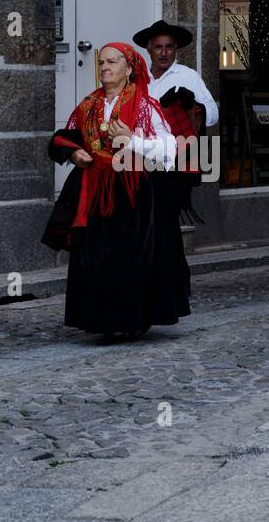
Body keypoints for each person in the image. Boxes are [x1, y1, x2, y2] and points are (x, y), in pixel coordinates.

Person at [42, 42, 191, 338]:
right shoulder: (87, 106)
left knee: (129, 255)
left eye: (112, 62)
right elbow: (66, 138)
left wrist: (131, 141)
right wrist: (74, 154)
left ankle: (130, 320)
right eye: (101, 63)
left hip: (132, 189)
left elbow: (169, 151)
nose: (105, 68)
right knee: (94, 253)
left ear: (129, 68)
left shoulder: (146, 106)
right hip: (94, 189)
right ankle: (100, 320)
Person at [138, 18, 218, 221]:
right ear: (149, 50)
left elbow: (213, 113)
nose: (163, 53)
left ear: (176, 50)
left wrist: (191, 108)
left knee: (168, 214)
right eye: (158, 47)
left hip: (175, 157)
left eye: (169, 47)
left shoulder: (188, 76)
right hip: (141, 153)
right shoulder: (137, 79)